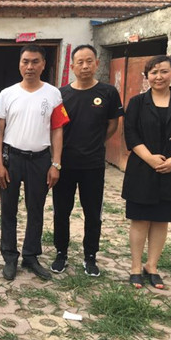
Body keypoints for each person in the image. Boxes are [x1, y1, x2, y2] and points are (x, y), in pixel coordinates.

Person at [0, 44, 69, 281]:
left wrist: (56, 164)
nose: (30, 67)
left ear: (43, 64)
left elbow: (57, 130)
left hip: (40, 159)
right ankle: (9, 256)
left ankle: (31, 255)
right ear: (19, 64)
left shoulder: (53, 94)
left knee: (36, 209)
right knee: (8, 209)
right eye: (25, 61)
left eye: (35, 62)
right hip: (12, 158)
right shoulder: (7, 94)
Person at [51, 45, 123, 276]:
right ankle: (61, 253)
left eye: (89, 61)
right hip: (65, 164)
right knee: (61, 211)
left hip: (93, 164)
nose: (85, 66)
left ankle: (90, 256)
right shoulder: (61, 94)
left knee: (92, 213)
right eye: (80, 62)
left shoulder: (108, 92)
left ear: (97, 64)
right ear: (72, 66)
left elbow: (113, 124)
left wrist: (96, 143)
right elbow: (55, 128)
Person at [123, 55, 171, 289]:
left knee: (162, 220)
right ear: (147, 76)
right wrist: (150, 158)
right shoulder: (137, 102)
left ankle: (151, 266)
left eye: (163, 71)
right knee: (140, 219)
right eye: (153, 72)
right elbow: (131, 133)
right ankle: (135, 267)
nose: (158, 76)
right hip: (142, 168)